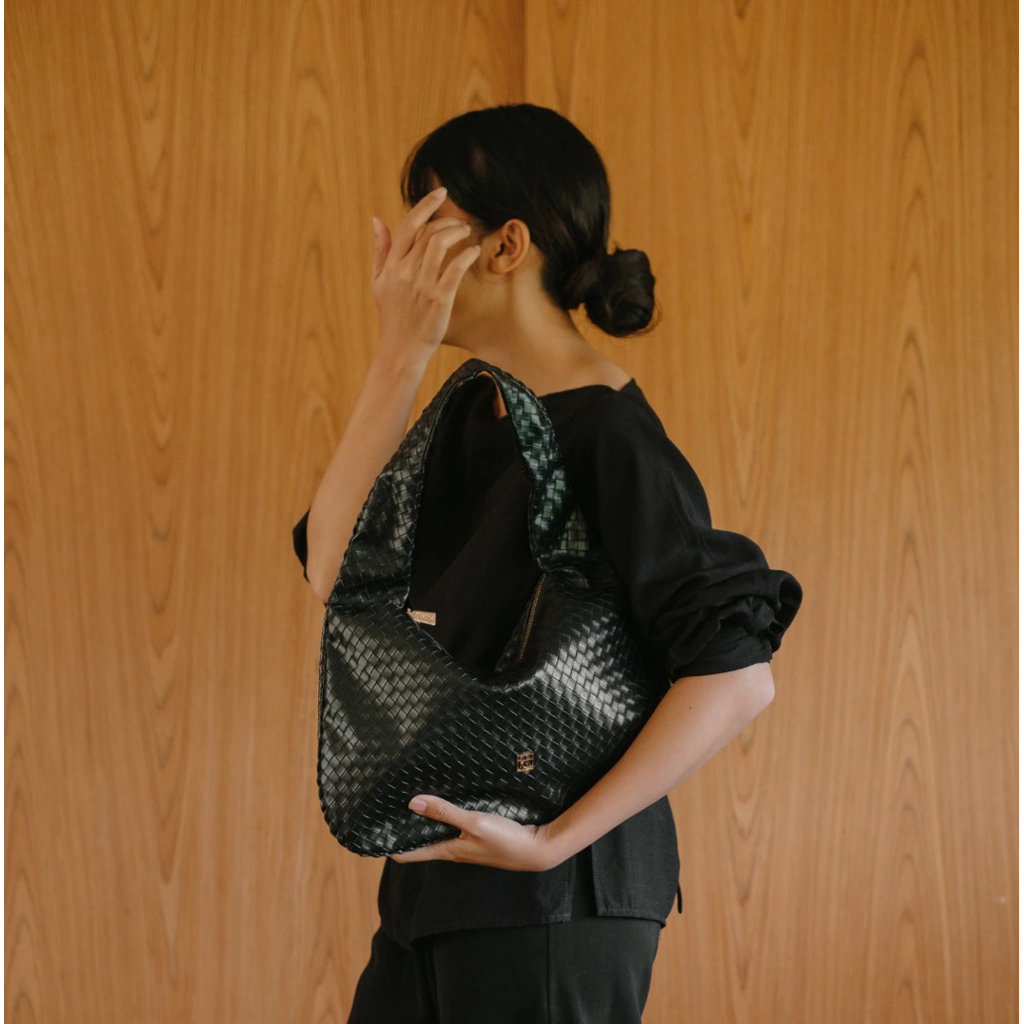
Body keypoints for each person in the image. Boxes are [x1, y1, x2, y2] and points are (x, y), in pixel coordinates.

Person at [292, 103, 802, 1024]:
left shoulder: (605, 428)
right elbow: (335, 575)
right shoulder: (471, 415)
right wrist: (398, 353)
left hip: (556, 899)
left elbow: (737, 677)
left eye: (429, 217)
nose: (401, 250)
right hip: (435, 887)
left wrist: (552, 842)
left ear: (505, 245)